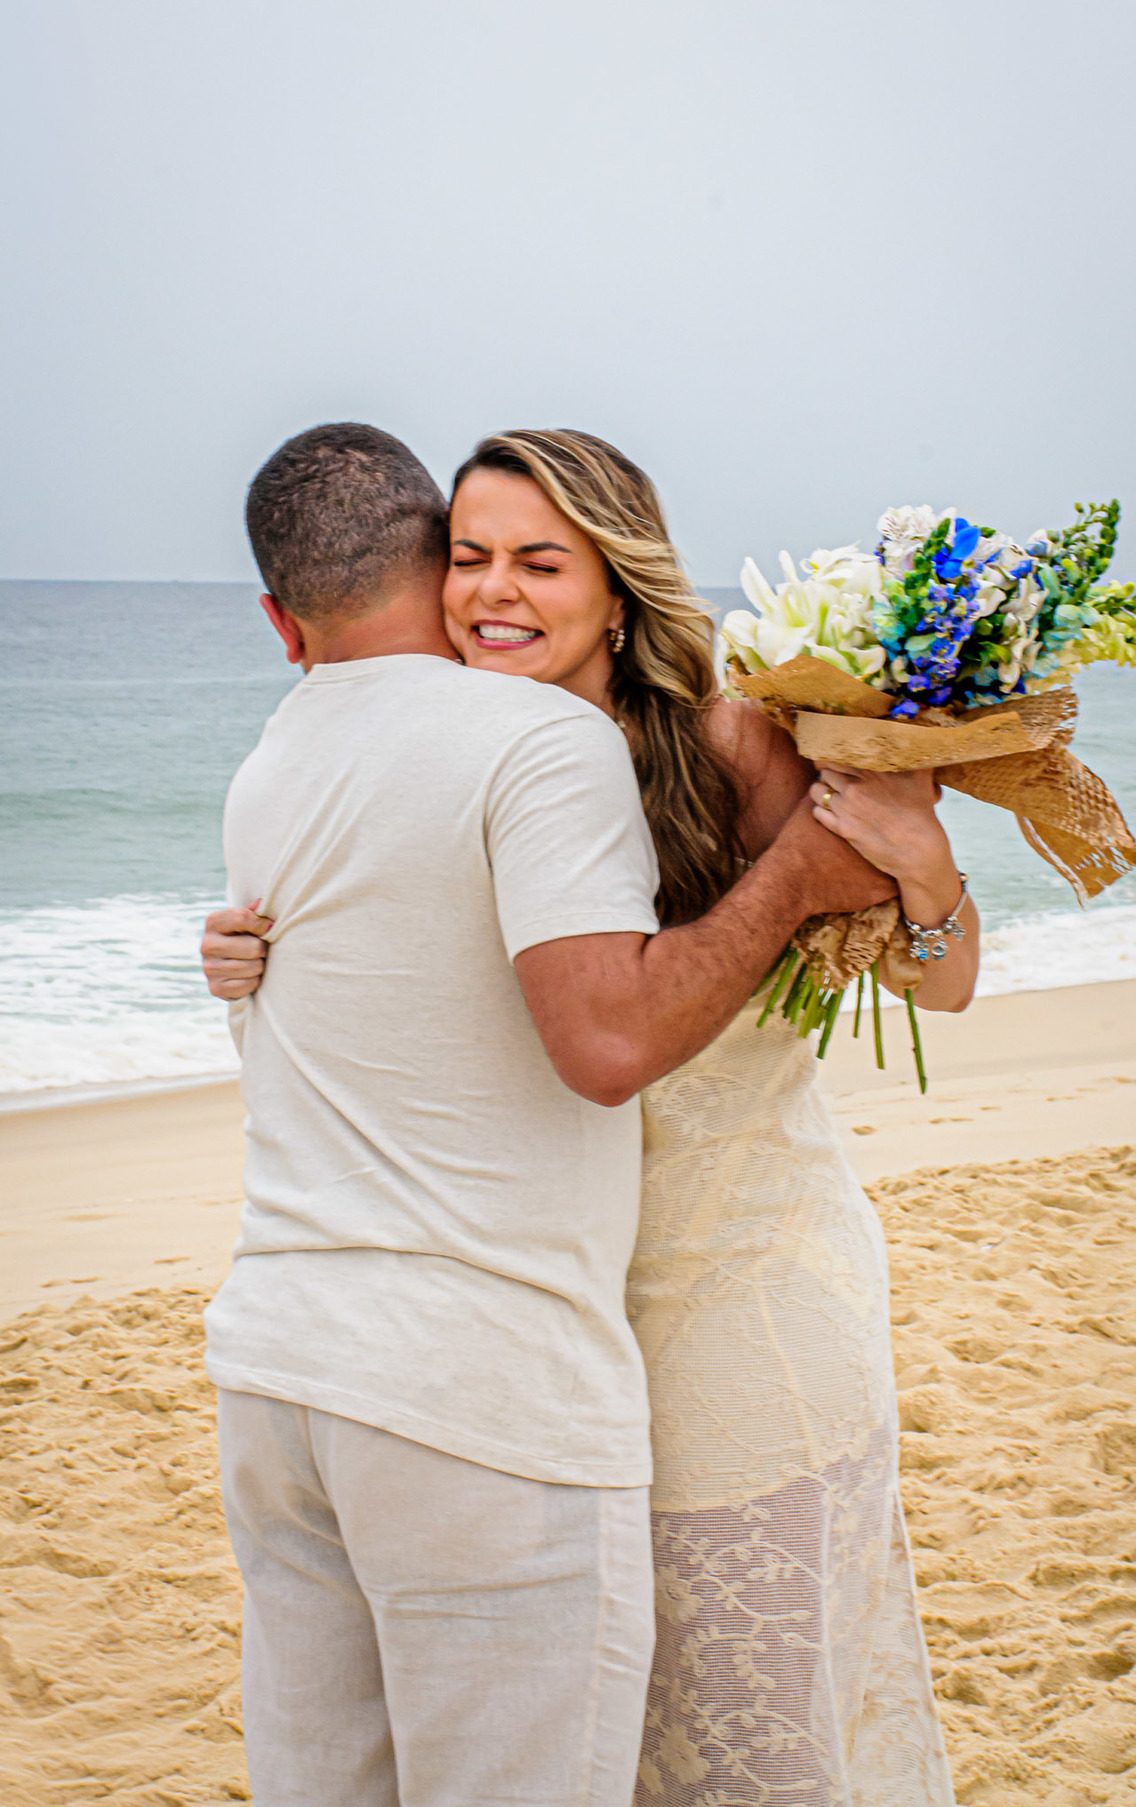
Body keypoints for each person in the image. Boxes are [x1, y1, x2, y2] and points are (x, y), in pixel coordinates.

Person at [200, 422, 900, 1807]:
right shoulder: (508, 747)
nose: (494, 591)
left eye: (538, 560)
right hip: (500, 1368)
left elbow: (938, 974)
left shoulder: (285, 760)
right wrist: (794, 882)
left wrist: (904, 879)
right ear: (421, 566)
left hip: (652, 1316)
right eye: (467, 558)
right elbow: (598, 1035)